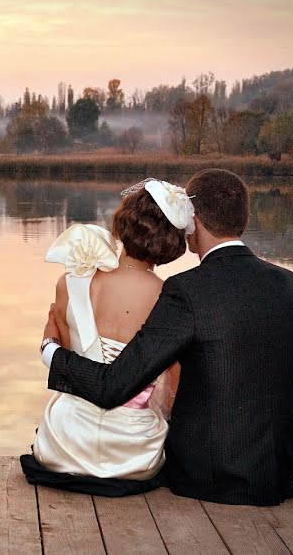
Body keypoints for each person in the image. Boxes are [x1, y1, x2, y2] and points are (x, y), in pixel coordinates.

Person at [35, 169, 293, 506]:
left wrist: (49, 350)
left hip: (208, 473)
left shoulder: (187, 290)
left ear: (192, 221)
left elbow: (114, 385)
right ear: (243, 217)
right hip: (281, 465)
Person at [24, 180, 189, 494]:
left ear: (123, 222)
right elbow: (174, 385)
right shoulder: (169, 299)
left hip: (65, 442)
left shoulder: (70, 282)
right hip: (131, 453)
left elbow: (69, 364)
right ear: (172, 242)